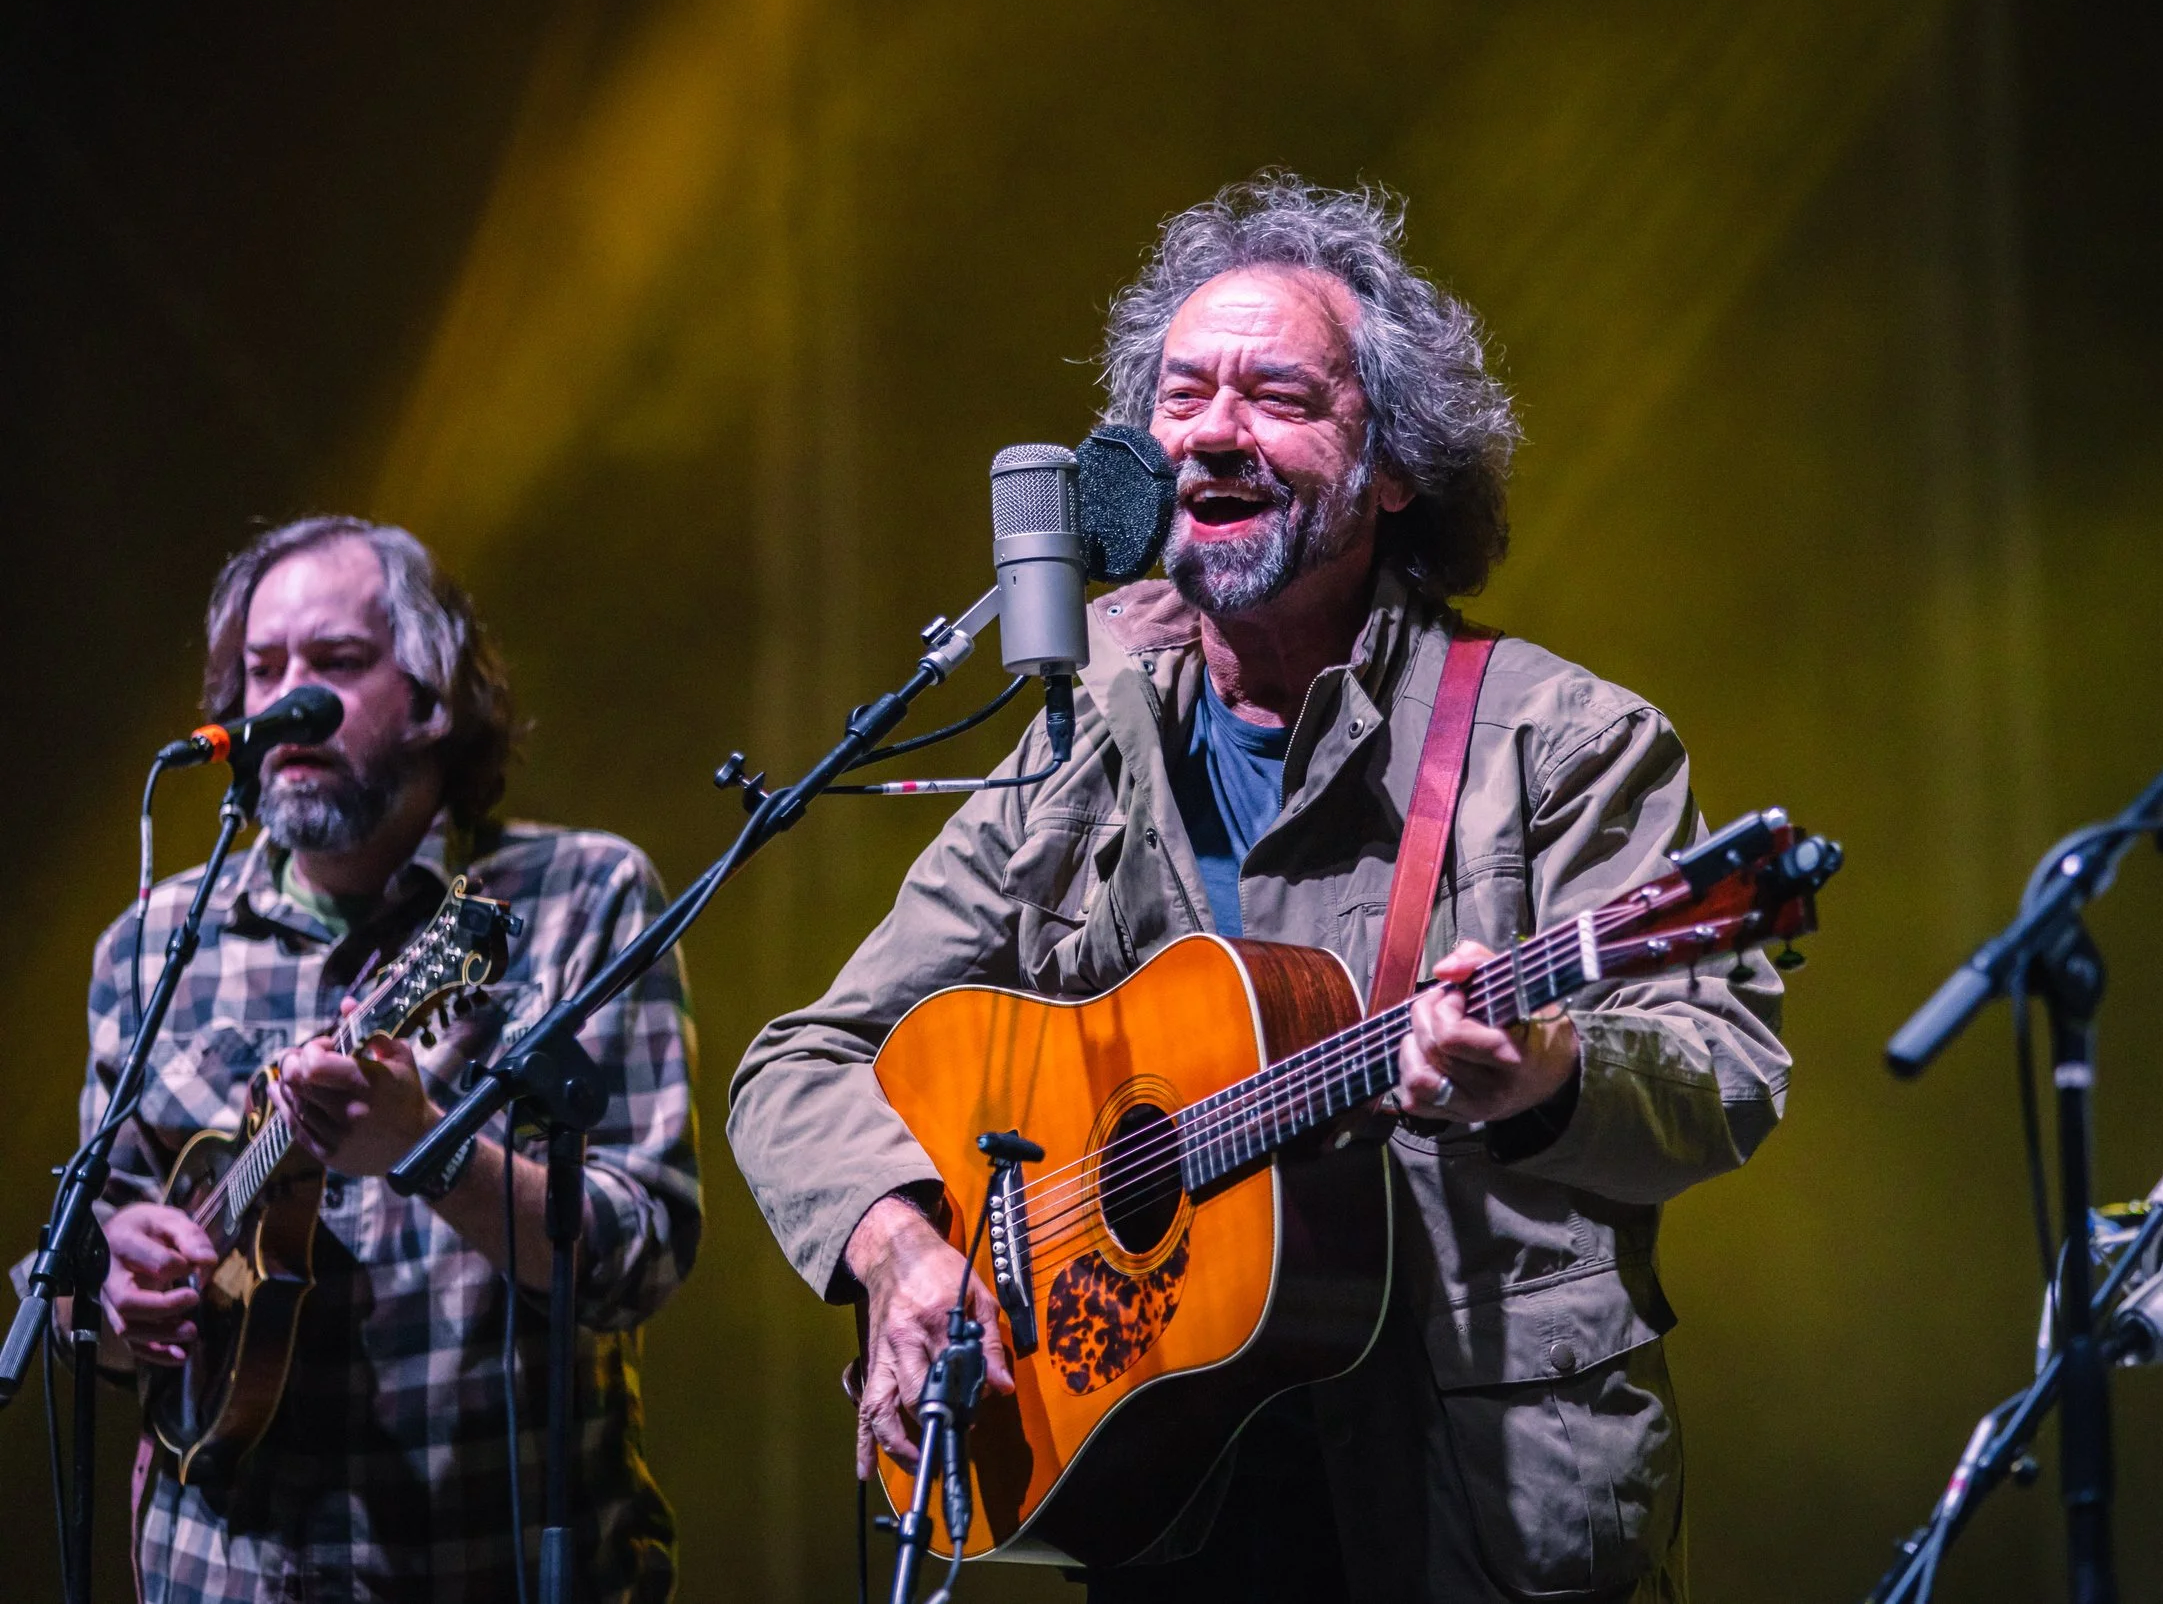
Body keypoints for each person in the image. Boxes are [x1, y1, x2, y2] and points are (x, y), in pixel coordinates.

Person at [727, 175, 1791, 1604]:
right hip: (1164, 1499)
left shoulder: (1559, 738)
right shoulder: (1083, 745)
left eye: (1278, 396)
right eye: (1180, 399)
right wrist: (896, 1239)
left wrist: (1544, 1073)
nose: (1213, 432)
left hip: (1472, 1508)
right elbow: (799, 1061)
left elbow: (1723, 1062)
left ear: (1394, 466)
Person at [65, 517, 700, 1603]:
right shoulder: (150, 939)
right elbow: (90, 1265)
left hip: (488, 1569)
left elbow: (641, 1253)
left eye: (337, 663)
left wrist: (428, 1149)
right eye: (262, 672)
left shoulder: (579, 899)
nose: (287, 701)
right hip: (217, 1574)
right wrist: (112, 1282)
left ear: (434, 695)